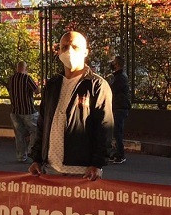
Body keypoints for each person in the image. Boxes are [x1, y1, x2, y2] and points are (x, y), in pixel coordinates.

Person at [29, 31, 113, 180]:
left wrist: (97, 164)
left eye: (75, 46)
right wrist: (36, 159)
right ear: (59, 51)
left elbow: (104, 127)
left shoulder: (97, 85)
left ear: (86, 52)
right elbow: (42, 123)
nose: (69, 51)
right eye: (65, 46)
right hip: (50, 169)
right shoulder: (53, 84)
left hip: (82, 172)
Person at [7, 60, 39, 162]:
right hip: (28, 111)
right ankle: (31, 150)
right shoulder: (27, 78)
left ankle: (21, 156)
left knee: (19, 134)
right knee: (35, 130)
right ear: (25, 68)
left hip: (15, 111)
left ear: (17, 68)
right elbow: (37, 91)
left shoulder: (11, 79)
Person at [108, 55, 131, 164]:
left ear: (116, 64)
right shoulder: (119, 76)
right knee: (115, 132)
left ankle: (120, 155)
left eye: (113, 62)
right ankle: (116, 153)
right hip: (119, 107)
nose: (111, 63)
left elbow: (111, 90)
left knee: (117, 132)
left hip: (120, 108)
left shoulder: (120, 78)